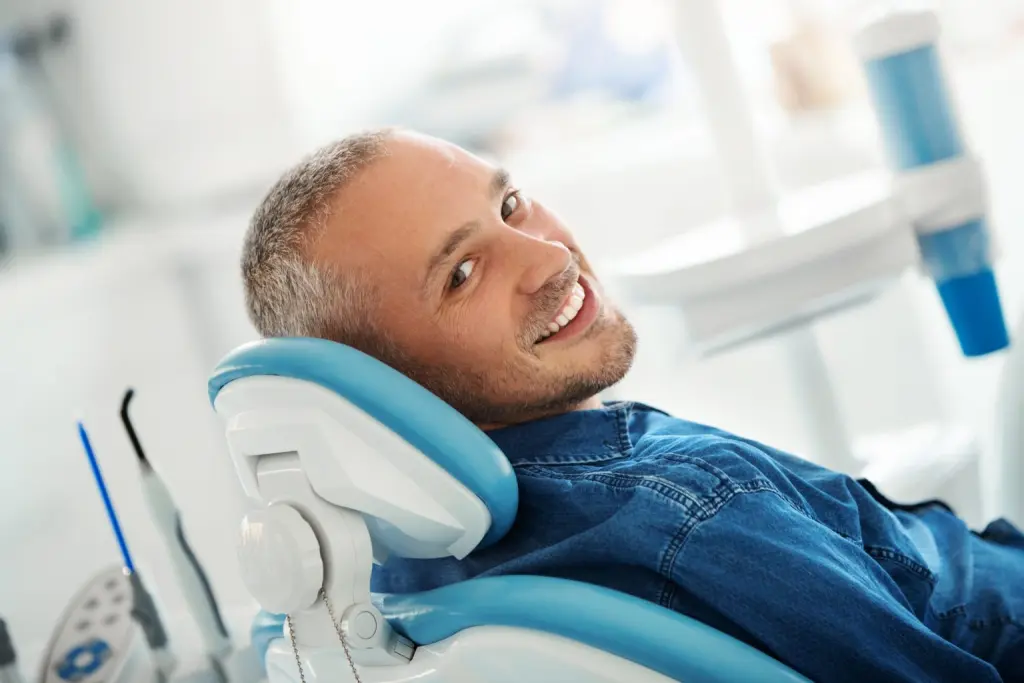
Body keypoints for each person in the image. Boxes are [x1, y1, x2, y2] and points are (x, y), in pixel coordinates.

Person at [240, 128, 1024, 683]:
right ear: (384, 383)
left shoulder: (389, 585)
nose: (549, 255)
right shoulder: (693, 508)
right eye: (463, 273)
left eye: (510, 205)